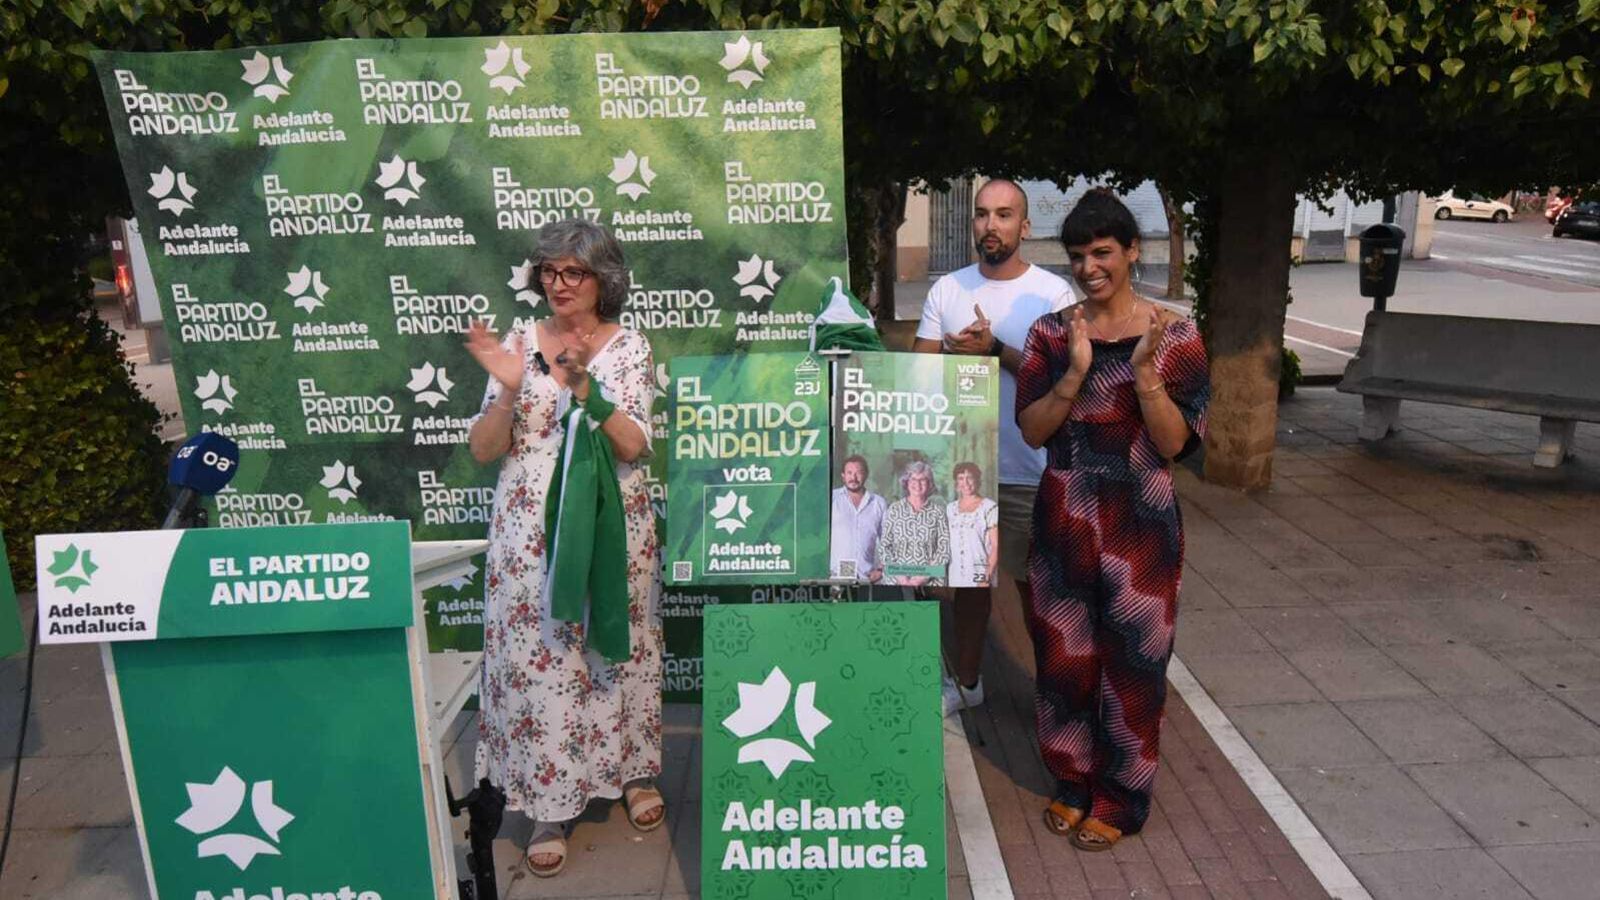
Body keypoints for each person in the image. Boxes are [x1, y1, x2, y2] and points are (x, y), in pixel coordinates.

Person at [463, 218, 662, 878]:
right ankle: (550, 802)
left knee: (616, 649)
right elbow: (484, 451)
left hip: (614, 528)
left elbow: (632, 445)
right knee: (547, 659)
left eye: (571, 271)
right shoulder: (520, 344)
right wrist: (512, 387)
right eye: (547, 271)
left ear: (604, 278)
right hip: (531, 538)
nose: (557, 284)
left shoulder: (630, 348)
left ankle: (633, 773)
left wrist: (585, 387)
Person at [1016, 190, 1210, 852]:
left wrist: (1145, 373)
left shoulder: (1175, 333)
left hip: (1141, 513)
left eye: (1103, 252)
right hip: (1065, 506)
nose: (1090, 267)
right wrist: (1073, 374)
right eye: (1078, 255)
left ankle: (1122, 800)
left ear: (1132, 251)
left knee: (1134, 660)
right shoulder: (1051, 333)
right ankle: (1072, 782)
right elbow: (1035, 430)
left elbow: (1176, 444)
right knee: (1064, 656)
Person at [913, 177, 1075, 716]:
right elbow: (917, 373)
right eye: (982, 214)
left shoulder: (1052, 294)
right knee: (968, 584)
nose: (991, 225)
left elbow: (1066, 377)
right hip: (967, 467)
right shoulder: (947, 289)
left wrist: (996, 350)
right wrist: (951, 361)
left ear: (1024, 227)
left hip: (1032, 467)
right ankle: (967, 683)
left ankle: (1054, 689)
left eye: (1004, 215)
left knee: (1037, 589)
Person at [877, 460, 950, 586]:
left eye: (923, 480)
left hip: (930, 583)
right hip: (896, 582)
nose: (917, 484)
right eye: (913, 479)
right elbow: (885, 547)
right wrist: (902, 578)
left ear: (930, 484)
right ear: (906, 483)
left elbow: (944, 550)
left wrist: (920, 578)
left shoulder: (938, 512)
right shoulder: (894, 509)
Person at [830, 454, 888, 582]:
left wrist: (881, 570)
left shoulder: (878, 503)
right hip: (835, 577)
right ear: (843, 475)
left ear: (866, 475)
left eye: (858, 473)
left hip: (867, 579)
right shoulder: (831, 499)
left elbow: (888, 540)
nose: (853, 478)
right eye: (849, 473)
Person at [945, 462, 999, 588]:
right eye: (961, 478)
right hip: (955, 575)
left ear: (977, 480)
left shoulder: (989, 507)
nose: (966, 483)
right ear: (956, 483)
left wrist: (985, 579)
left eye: (970, 477)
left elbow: (996, 546)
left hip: (980, 574)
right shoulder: (949, 509)